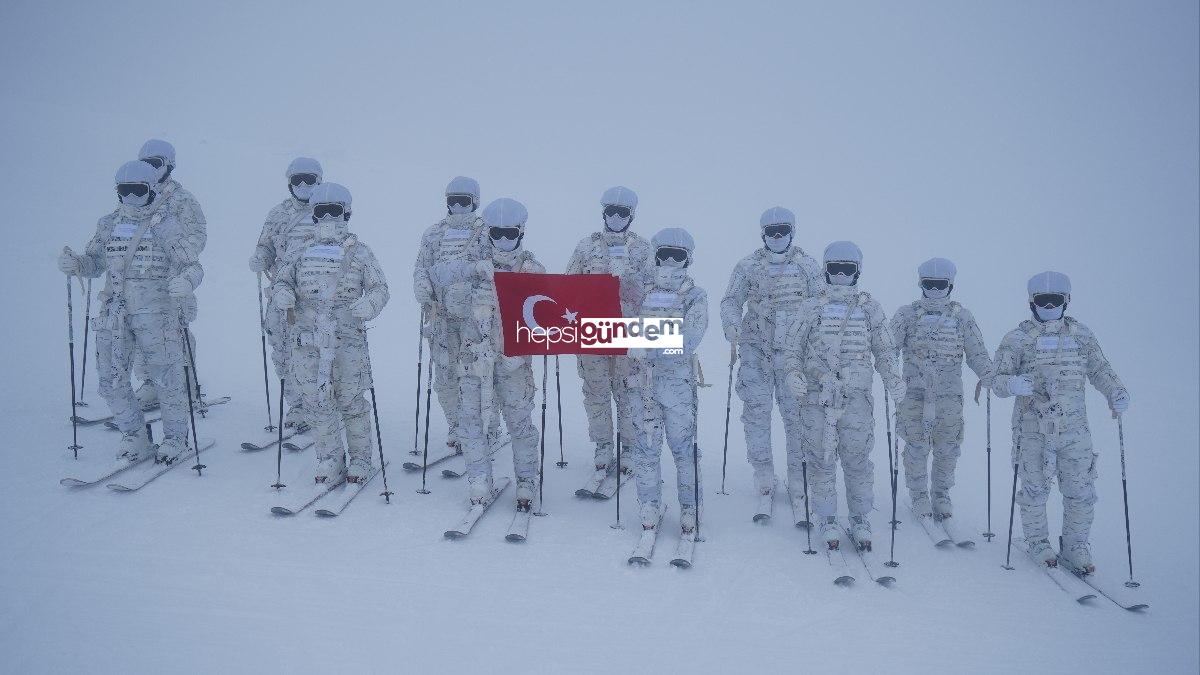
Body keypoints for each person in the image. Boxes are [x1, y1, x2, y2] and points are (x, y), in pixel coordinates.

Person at [57, 160, 204, 465]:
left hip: (157, 312)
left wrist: (185, 281)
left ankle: (176, 439)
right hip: (115, 314)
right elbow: (95, 262)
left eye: (138, 192)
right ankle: (134, 435)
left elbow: (192, 265)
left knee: (167, 378)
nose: (131, 199)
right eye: (125, 192)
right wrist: (77, 265)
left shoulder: (167, 225)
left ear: (151, 190)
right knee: (110, 379)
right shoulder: (108, 224)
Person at [991, 271, 1128, 574]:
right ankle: (1038, 542)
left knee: (1080, 489)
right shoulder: (1017, 338)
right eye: (1043, 300)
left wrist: (1116, 391)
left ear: (1066, 301)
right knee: (1035, 488)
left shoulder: (1081, 335)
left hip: (1074, 429)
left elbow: (1100, 369)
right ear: (1032, 302)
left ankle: (1076, 546)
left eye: (1056, 301)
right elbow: (995, 380)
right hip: (1033, 428)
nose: (1049, 306)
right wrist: (1011, 384)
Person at [778, 241, 904, 551]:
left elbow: (885, 350)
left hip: (856, 399)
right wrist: (793, 373)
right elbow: (792, 348)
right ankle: (827, 518)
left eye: (847, 269)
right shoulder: (811, 307)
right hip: (818, 399)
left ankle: (860, 518)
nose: (841, 275)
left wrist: (892, 378)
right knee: (821, 459)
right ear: (826, 271)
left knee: (857, 459)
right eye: (835, 269)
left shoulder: (869, 308)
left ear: (857, 271)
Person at [271, 183, 390, 483]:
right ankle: (328, 458)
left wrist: (371, 303)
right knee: (316, 401)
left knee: (351, 400)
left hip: (347, 338)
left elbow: (380, 287)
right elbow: (281, 282)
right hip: (307, 339)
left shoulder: (359, 252)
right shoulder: (298, 251)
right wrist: (283, 295)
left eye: (333, 211)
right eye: (320, 212)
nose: (327, 218)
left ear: (346, 213)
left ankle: (361, 460)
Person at [719, 206, 822, 508]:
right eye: (771, 232)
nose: (777, 237)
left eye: (783, 232)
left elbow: (820, 304)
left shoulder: (808, 266)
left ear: (792, 232)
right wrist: (732, 327)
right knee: (756, 416)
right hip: (756, 351)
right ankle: (763, 473)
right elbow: (730, 300)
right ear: (763, 233)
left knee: (798, 418)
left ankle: (796, 475)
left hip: (795, 357)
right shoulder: (748, 266)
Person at [455, 198, 543, 508]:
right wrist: (471, 269)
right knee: (472, 422)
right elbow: (442, 280)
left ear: (521, 232)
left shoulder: (532, 269)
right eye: (497, 234)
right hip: (474, 360)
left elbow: (546, 316)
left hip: (513, 362)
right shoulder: (474, 266)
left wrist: (525, 349)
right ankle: (479, 480)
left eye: (510, 234)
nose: (504, 241)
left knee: (519, 423)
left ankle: (527, 481)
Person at [890, 257, 995, 519]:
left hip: (949, 397)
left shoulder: (962, 318)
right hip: (914, 394)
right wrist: (889, 376)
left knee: (947, 447)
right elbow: (888, 349)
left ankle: (941, 494)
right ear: (921, 284)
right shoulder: (906, 315)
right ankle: (918, 495)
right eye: (930, 284)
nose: (935, 290)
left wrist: (993, 378)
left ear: (950, 285)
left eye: (940, 285)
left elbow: (978, 354)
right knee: (916, 446)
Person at [565, 186, 654, 484]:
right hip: (591, 330)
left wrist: (629, 278)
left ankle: (628, 446)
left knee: (628, 391)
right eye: (611, 212)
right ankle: (603, 445)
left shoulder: (642, 249)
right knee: (596, 391)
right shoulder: (586, 247)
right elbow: (568, 286)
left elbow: (653, 292)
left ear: (631, 215)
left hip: (628, 331)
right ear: (603, 213)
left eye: (623, 213)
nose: (616, 218)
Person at [628, 228, 709, 536]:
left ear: (688, 259)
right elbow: (617, 321)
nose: (671, 262)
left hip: (677, 384)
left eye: (679, 256)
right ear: (655, 255)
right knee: (646, 446)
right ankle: (648, 504)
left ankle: (690, 506)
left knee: (682, 447)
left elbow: (690, 338)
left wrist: (647, 343)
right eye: (665, 255)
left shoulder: (694, 295)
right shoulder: (639, 291)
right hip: (642, 382)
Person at [412, 176, 497, 453]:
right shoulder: (433, 233)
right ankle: (456, 425)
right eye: (454, 201)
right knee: (445, 377)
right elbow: (422, 267)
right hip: (442, 317)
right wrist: (424, 291)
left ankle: (488, 426)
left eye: (465, 201)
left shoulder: (487, 233)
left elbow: (496, 268)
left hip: (476, 319)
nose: (459, 206)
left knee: (478, 374)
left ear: (475, 202)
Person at [132, 139, 208, 409]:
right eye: (145, 164)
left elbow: (197, 236)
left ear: (169, 166)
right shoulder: (136, 193)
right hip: (141, 280)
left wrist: (179, 258)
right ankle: (152, 384)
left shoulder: (181, 199)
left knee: (175, 332)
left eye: (155, 164)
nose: (150, 170)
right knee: (142, 333)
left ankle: (187, 384)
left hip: (174, 277)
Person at [249, 157, 323, 429]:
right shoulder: (278, 214)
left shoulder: (328, 209)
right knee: (283, 350)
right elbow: (266, 245)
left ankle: (321, 403)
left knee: (314, 351)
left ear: (319, 181)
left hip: (315, 298)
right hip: (282, 297)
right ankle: (298, 405)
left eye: (309, 180)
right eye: (297, 180)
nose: (303, 186)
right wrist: (260, 257)